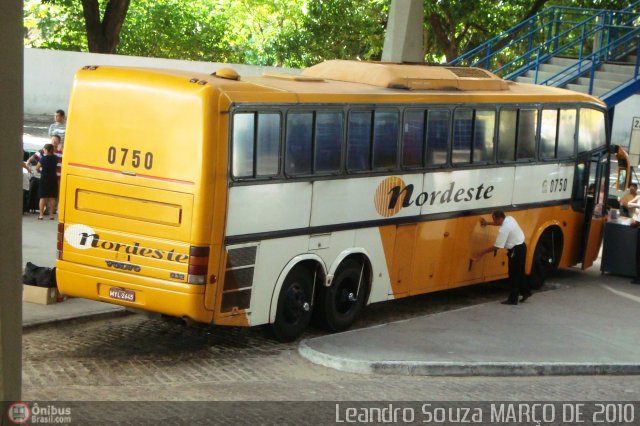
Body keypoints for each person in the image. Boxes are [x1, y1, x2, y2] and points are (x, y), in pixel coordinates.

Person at [475, 210, 531, 305]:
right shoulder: (509, 218)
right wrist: (487, 223)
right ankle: (526, 292)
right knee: (520, 272)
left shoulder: (504, 228)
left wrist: (482, 252)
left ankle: (513, 299)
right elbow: (498, 223)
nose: (494, 221)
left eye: (494, 220)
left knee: (513, 275)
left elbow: (497, 246)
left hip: (515, 251)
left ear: (499, 218)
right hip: (522, 247)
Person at [35, 143, 58, 220]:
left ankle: (41, 215)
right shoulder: (56, 158)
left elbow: (37, 168)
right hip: (53, 178)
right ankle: (51, 215)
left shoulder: (43, 159)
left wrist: (40, 171)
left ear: (46, 150)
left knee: (43, 197)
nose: (43, 150)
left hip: (44, 178)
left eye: (44, 149)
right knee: (52, 197)